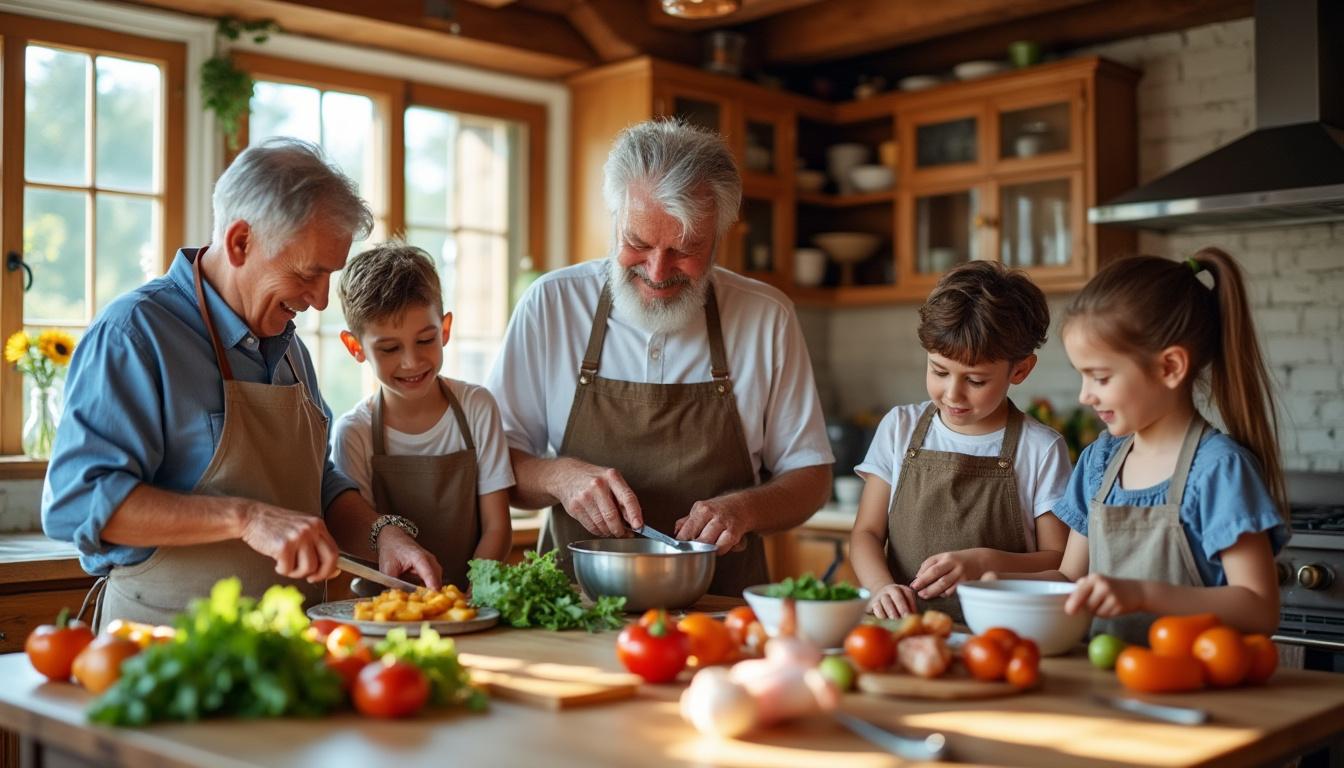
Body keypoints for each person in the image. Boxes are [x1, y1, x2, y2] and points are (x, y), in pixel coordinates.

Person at [42, 138, 441, 630]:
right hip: (166, 647)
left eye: (329, 277)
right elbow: (77, 503)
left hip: (287, 647)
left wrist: (383, 535)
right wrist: (246, 518)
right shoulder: (134, 334)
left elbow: (317, 484)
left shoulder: (290, 349)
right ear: (240, 243)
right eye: (309, 273)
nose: (320, 300)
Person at [484, 120, 833, 596]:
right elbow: (496, 463)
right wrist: (557, 476)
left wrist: (745, 510)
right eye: (638, 243)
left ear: (720, 237)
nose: (657, 270)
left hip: (721, 608)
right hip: (573, 607)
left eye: (684, 249)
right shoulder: (552, 304)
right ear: (615, 218)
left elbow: (811, 476)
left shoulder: (766, 316)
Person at [1033, 248, 1287, 639]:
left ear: (1170, 367)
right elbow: (1069, 579)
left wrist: (1143, 594)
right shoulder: (1099, 462)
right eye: (1082, 376)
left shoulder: (1219, 470)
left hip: (1193, 675)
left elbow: (1259, 608)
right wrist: (990, 581)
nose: (1085, 395)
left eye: (1100, 378)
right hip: (1102, 676)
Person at [850, 261, 1072, 619]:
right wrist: (880, 587)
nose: (953, 393)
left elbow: (1058, 560)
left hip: (998, 631)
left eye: (975, 380)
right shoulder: (899, 427)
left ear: (1020, 370)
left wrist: (985, 561)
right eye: (939, 371)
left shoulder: (1040, 448)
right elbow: (866, 533)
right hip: (906, 627)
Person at [331, 243, 514, 591]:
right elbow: (358, 539)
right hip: (387, 606)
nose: (412, 362)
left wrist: (467, 598)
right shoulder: (354, 432)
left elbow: (497, 528)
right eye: (389, 348)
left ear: (445, 329)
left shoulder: (477, 407)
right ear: (355, 347)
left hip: (471, 598)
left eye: (426, 340)